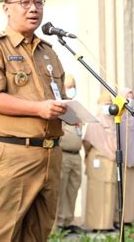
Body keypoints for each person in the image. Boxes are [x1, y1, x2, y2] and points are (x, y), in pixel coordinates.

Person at [0, 0, 68, 241]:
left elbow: (55, 97)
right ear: (7, 8)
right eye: (24, 2)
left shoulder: (48, 51)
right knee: (3, 235)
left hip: (50, 155)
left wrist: (70, 112)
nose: (33, 8)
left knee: (38, 235)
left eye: (38, 2)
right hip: (12, 155)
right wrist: (39, 109)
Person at [83, 91, 116, 232]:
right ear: (100, 105)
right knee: (96, 193)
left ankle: (107, 224)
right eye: (106, 104)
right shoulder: (94, 122)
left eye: (110, 104)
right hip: (97, 162)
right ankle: (95, 225)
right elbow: (87, 143)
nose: (108, 107)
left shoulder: (114, 122)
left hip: (111, 162)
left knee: (109, 193)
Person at [56, 75, 82, 232]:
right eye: (69, 87)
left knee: (73, 189)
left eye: (73, 86)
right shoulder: (59, 107)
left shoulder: (77, 108)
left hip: (76, 154)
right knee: (61, 188)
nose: (72, 90)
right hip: (63, 153)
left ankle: (68, 221)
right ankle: (58, 224)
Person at [116, 87, 134, 225]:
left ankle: (129, 219)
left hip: (133, 158)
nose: (130, 99)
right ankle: (117, 219)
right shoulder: (117, 114)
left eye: (132, 96)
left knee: (131, 190)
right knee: (120, 191)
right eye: (127, 96)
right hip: (121, 159)